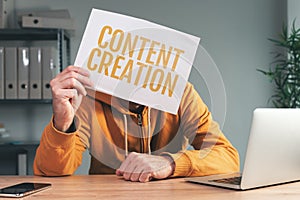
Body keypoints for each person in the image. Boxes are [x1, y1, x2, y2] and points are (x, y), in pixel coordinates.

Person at [33, 65, 239, 182]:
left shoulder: (181, 94)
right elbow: (51, 171)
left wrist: (171, 162)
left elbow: (228, 158)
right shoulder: (87, 99)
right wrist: (63, 122)